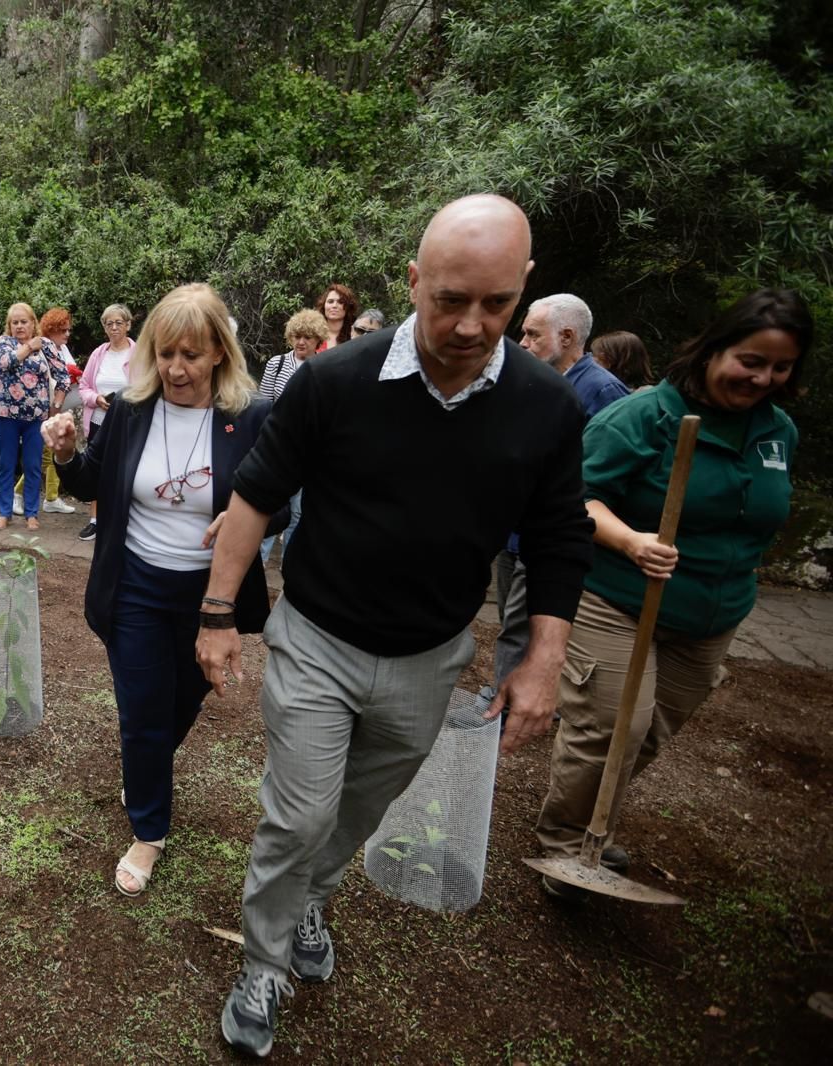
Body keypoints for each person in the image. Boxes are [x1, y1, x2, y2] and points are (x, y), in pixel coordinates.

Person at [200, 195, 594, 1058]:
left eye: (495, 304)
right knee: (299, 814)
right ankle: (264, 960)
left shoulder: (546, 407)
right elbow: (256, 496)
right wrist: (220, 613)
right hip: (317, 641)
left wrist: (544, 655)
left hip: (430, 658)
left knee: (356, 813)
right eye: (449, 299)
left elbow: (562, 533)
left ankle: (309, 899)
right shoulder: (335, 382)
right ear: (413, 282)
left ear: (524, 291)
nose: (470, 324)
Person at [535, 289, 811, 898]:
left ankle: (595, 821)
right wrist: (632, 540)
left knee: (651, 732)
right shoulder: (645, 416)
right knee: (613, 726)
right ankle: (565, 846)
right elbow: (574, 498)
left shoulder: (776, 431)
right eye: (750, 360)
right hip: (616, 597)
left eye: (780, 367)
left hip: (714, 615)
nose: (763, 377)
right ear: (715, 350)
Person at [44, 283, 281, 897]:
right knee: (145, 712)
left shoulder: (249, 416)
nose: (177, 369)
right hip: (136, 587)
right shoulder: (131, 407)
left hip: (212, 595)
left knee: (187, 697)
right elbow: (90, 480)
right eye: (166, 353)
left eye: (192, 356)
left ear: (219, 356)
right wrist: (68, 453)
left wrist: (247, 517)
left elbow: (276, 503)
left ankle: (145, 764)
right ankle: (149, 830)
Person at [488, 294, 634, 692]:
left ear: (567, 337)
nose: (523, 342)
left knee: (525, 627)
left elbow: (599, 478)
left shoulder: (604, 394)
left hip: (544, 537)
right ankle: (511, 690)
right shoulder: (532, 380)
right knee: (511, 621)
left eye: (533, 334)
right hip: (511, 530)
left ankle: (508, 707)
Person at [256, 309, 327, 564]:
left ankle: (289, 568)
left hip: (307, 453)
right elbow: (262, 405)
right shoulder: (277, 363)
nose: (301, 342)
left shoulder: (325, 366)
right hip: (275, 447)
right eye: (297, 336)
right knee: (268, 508)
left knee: (297, 514)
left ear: (318, 339)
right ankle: (257, 566)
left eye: (307, 337)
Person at [0, 303, 69, 531]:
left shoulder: (45, 346)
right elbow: (3, 364)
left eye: (23, 321)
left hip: (36, 417)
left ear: (33, 323)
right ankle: (4, 513)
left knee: (33, 466)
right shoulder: (3, 344)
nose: (19, 326)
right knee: (6, 465)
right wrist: (28, 348)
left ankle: (31, 514)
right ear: (9, 325)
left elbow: (63, 377)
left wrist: (56, 406)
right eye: (14, 322)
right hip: (8, 416)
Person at [76, 304, 136, 542]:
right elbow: (84, 386)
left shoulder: (140, 353)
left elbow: (147, 389)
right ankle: (95, 520)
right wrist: (96, 399)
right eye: (109, 323)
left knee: (126, 473)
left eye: (119, 323)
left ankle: (124, 521)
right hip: (99, 423)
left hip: (128, 425)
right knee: (96, 472)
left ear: (128, 325)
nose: (114, 328)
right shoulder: (99, 353)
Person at [13, 309, 79, 517]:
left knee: (52, 452)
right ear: (52, 329)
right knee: (43, 455)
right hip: (43, 407)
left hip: (59, 406)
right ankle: (18, 494)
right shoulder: (41, 347)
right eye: (63, 330)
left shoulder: (62, 348)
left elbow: (66, 376)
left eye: (68, 330)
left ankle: (51, 497)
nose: (67, 334)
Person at [315, 283, 360, 350]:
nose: (334, 305)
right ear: (324, 306)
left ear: (348, 307)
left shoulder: (356, 335)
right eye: (330, 302)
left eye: (340, 302)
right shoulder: (314, 334)